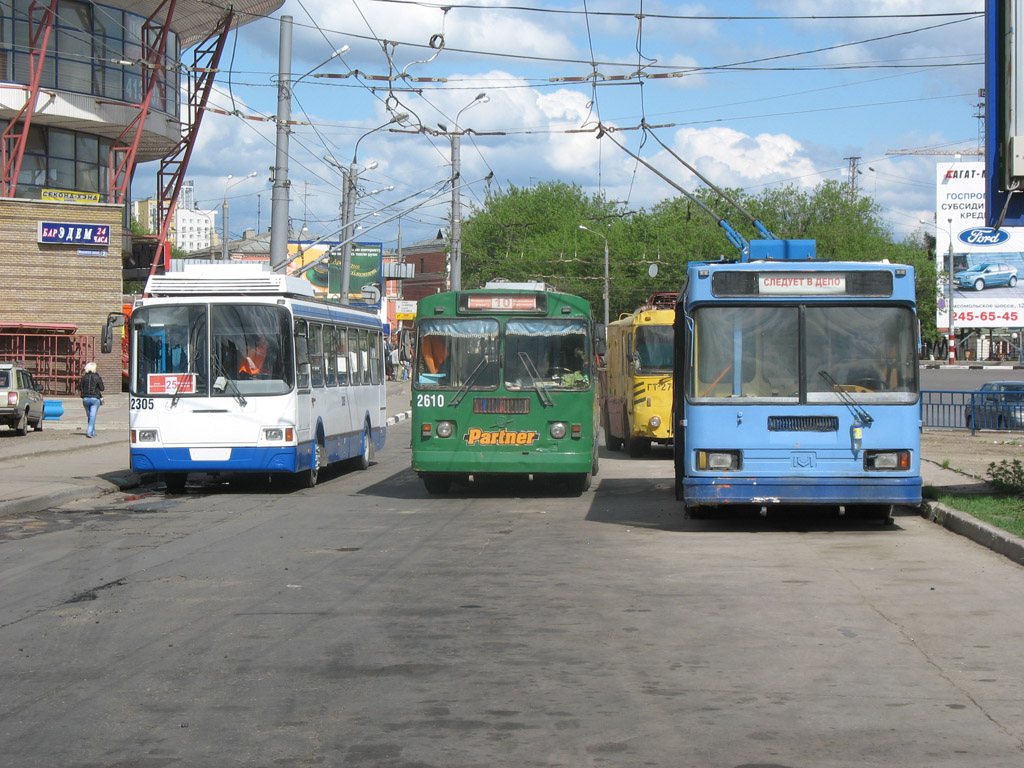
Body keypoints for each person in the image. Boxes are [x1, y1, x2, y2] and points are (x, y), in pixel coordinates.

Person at [78, 361, 105, 438]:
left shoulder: (84, 378)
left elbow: (80, 387)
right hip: (95, 398)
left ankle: (93, 432)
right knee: (92, 416)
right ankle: (89, 432)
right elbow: (102, 388)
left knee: (89, 416)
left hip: (85, 398)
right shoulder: (97, 377)